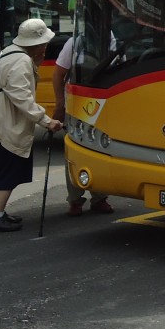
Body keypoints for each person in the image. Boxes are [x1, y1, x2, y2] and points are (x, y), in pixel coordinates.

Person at [0, 18, 62, 233]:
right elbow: (22, 98)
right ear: (37, 43)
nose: (46, 47)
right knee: (8, 170)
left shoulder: (9, 52)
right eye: (44, 43)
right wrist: (47, 121)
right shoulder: (21, 61)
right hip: (4, 123)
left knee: (3, 168)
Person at [52, 37, 112, 216]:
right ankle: (75, 200)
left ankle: (100, 197)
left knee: (101, 149)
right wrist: (60, 103)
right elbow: (58, 73)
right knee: (73, 150)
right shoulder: (75, 41)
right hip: (76, 104)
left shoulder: (112, 39)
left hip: (101, 102)